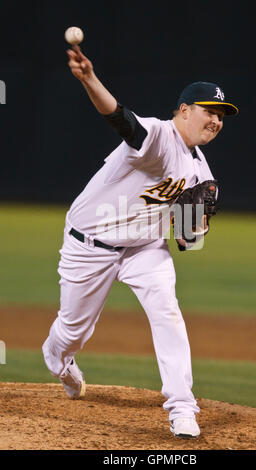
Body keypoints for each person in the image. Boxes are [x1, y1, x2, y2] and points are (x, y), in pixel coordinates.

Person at [42, 45, 239, 439]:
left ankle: (182, 407)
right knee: (72, 332)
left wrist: (193, 231)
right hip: (89, 245)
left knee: (167, 313)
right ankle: (58, 360)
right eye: (208, 111)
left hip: (145, 249)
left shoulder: (201, 169)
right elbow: (119, 118)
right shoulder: (158, 135)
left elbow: (187, 240)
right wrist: (88, 79)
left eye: (221, 116)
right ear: (183, 110)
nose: (216, 120)